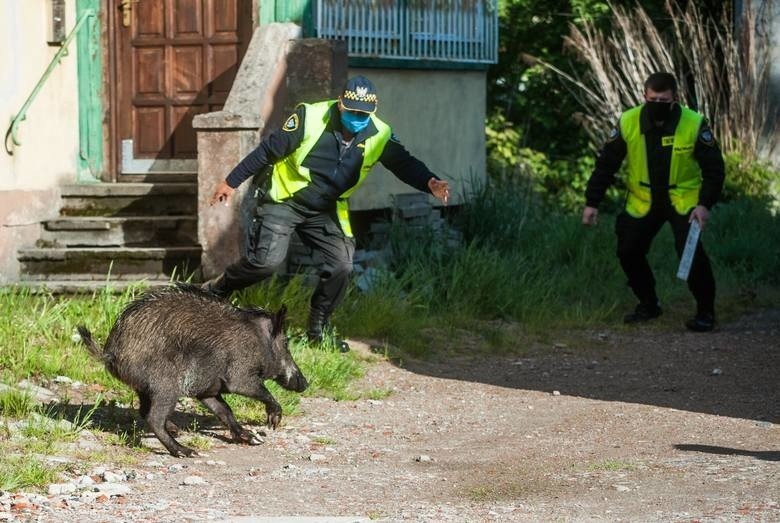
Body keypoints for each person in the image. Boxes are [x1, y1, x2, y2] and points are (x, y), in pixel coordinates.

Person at [202, 75, 450, 350]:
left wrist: (430, 182)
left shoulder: (379, 133)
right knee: (265, 263)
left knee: (342, 264)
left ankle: (319, 329)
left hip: (327, 209)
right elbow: (267, 151)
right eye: (353, 111)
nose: (358, 117)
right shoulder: (310, 116)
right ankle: (220, 288)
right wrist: (231, 182)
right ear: (341, 103)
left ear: (373, 111)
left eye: (364, 114)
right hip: (284, 198)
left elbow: (404, 163)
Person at [581, 72, 725, 332]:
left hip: (685, 201)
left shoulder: (694, 123)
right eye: (653, 99)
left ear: (674, 99)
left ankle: (705, 312)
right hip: (642, 200)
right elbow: (606, 164)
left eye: (664, 99)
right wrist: (592, 202)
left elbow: (714, 169)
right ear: (644, 97)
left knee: (689, 254)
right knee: (628, 251)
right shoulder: (629, 121)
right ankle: (648, 303)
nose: (658, 103)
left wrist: (705, 204)